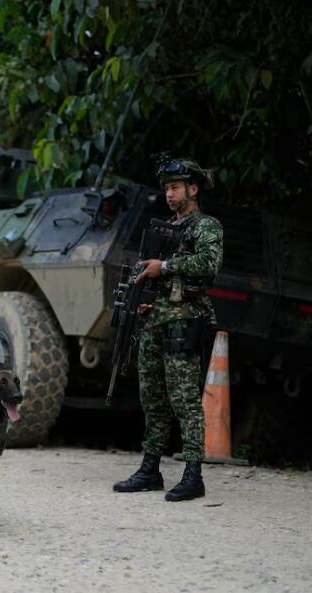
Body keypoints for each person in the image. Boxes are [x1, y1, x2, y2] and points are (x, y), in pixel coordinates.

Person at [113, 156, 223, 502]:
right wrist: (146, 295)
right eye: (167, 189)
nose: (170, 195)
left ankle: (193, 474)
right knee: (154, 400)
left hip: (185, 322)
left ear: (192, 189)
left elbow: (208, 265)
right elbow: (153, 275)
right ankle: (150, 469)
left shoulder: (206, 226)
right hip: (155, 322)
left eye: (175, 188)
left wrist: (166, 266)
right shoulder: (165, 228)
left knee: (185, 401)